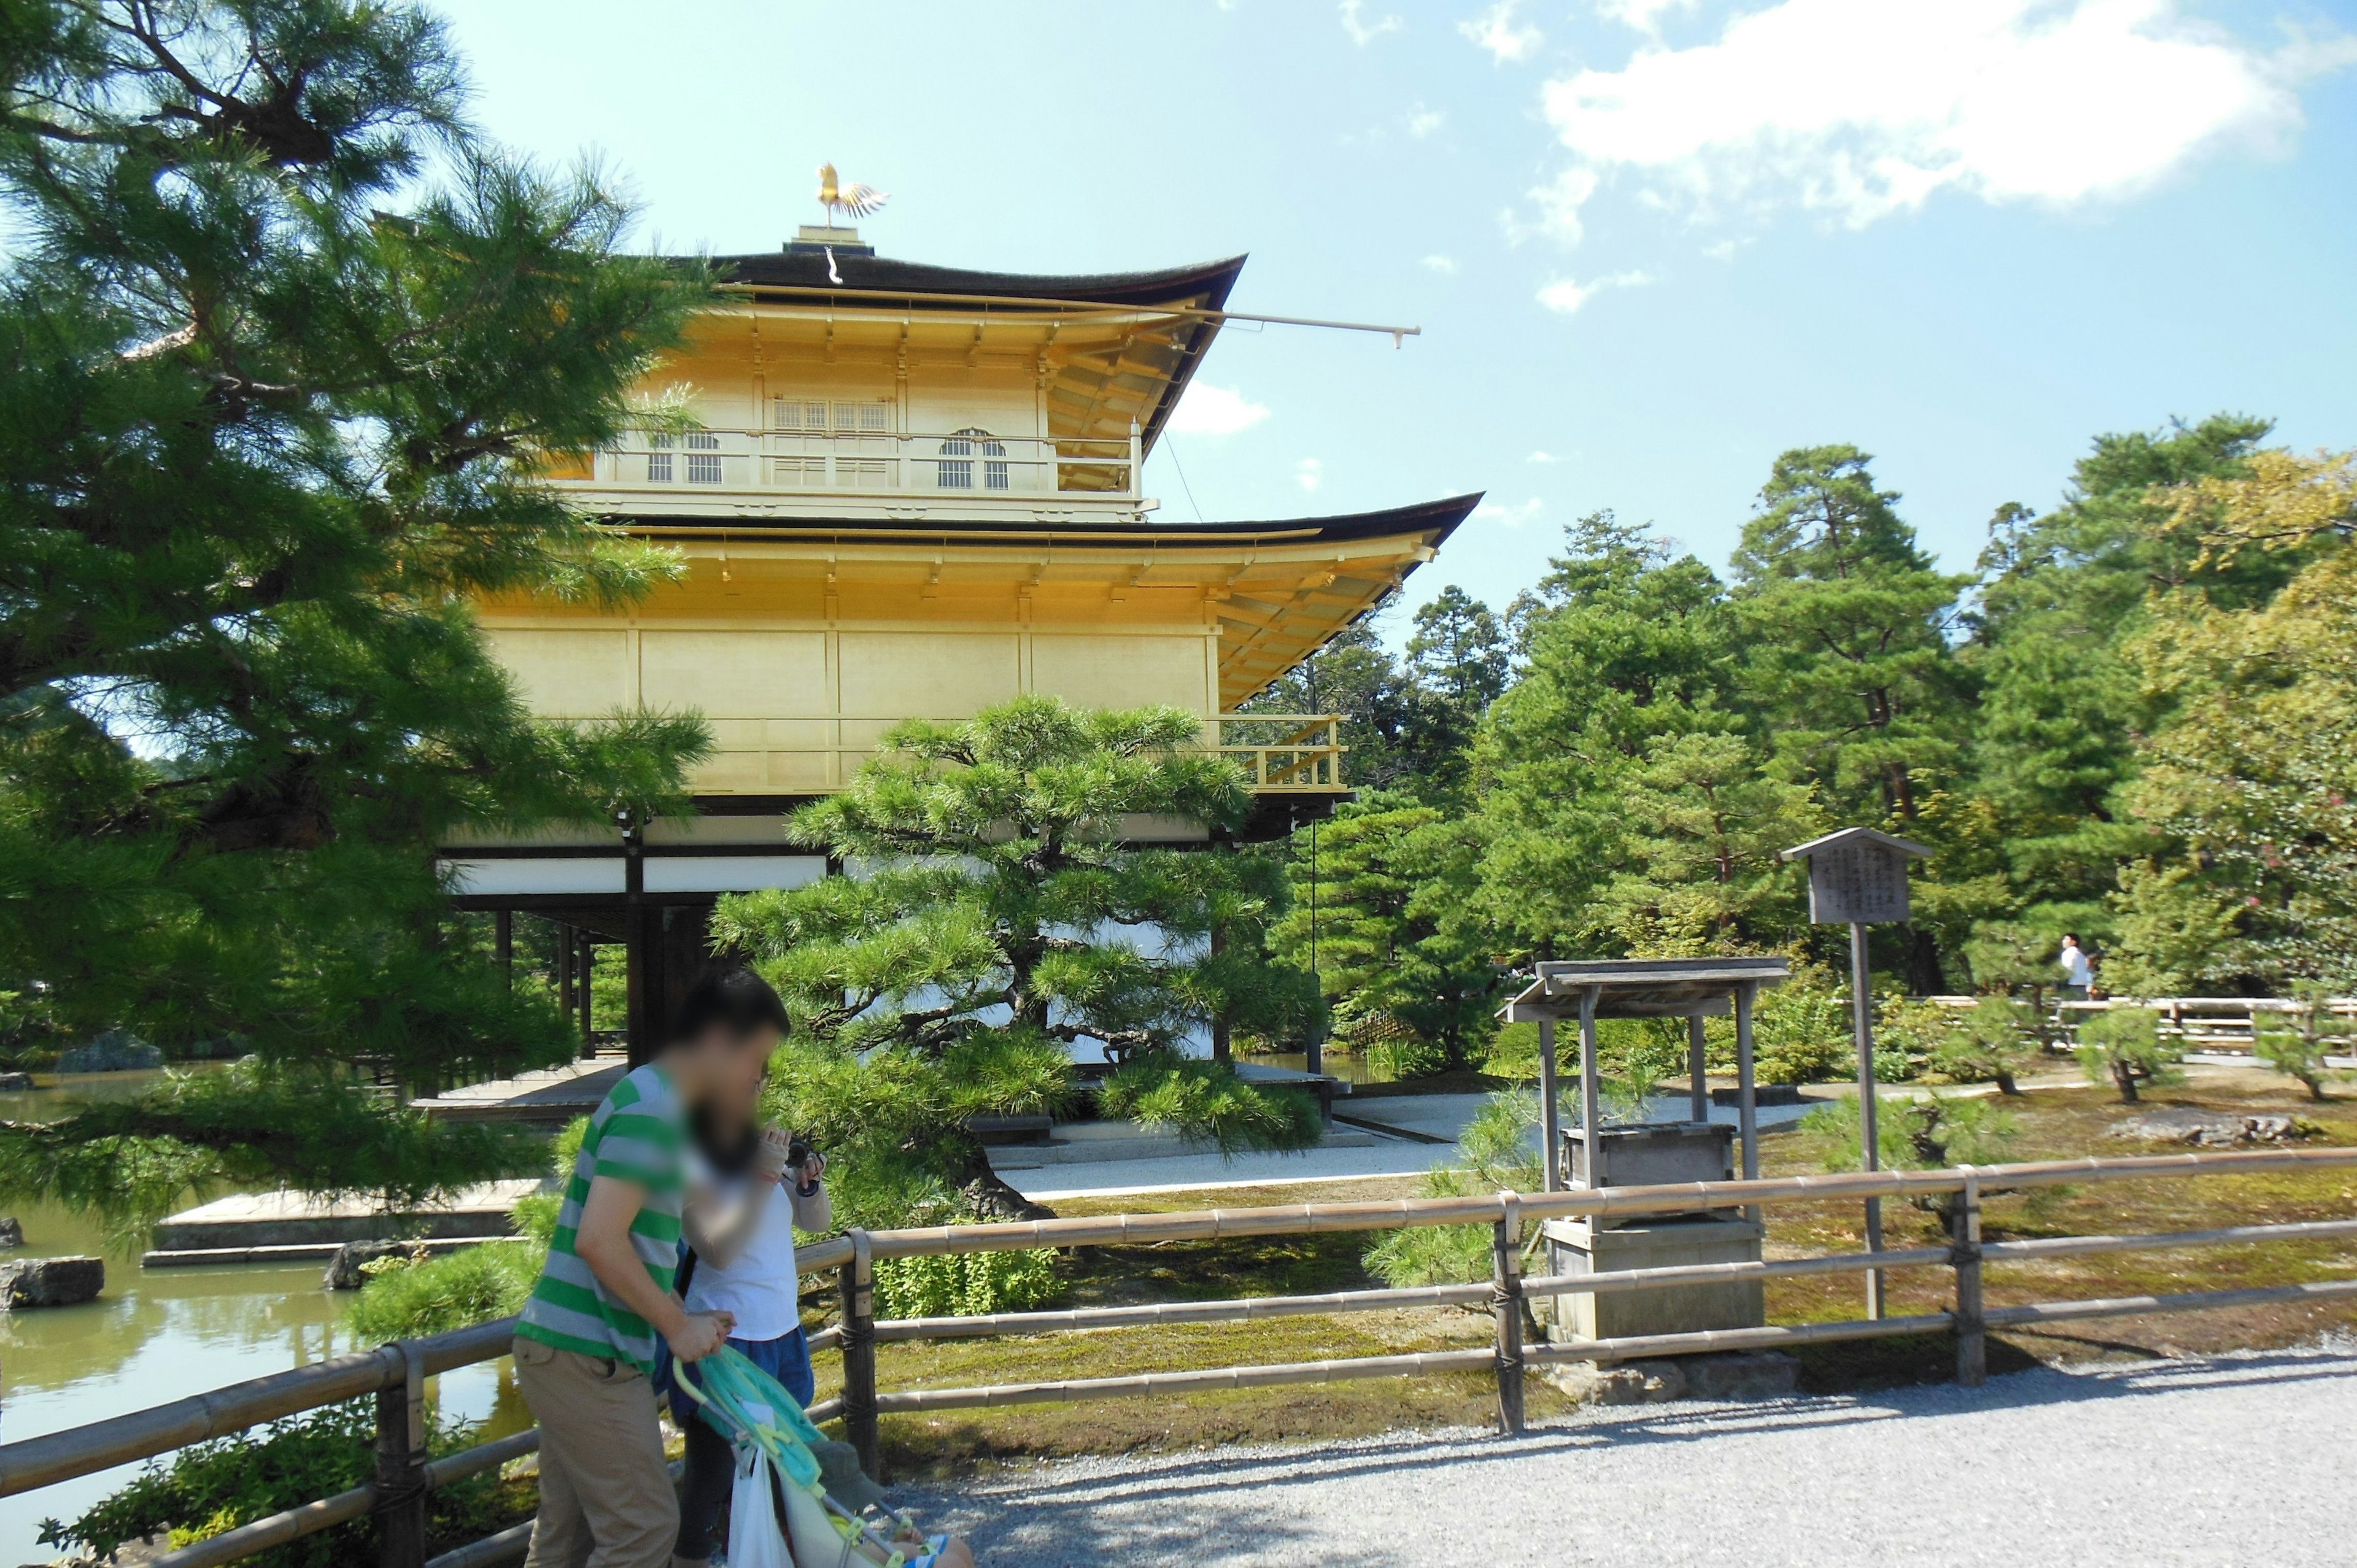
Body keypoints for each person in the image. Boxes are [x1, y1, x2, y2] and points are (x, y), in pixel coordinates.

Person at [512, 966, 789, 1568]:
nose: (756, 1079)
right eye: (755, 1060)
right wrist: (677, 1324)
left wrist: (753, 1174)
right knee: (646, 1527)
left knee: (568, 1536)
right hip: (590, 1354)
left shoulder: (664, 1107)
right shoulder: (656, 1108)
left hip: (569, 1348)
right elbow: (600, 1240)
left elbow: (708, 1243)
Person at [666, 1086, 832, 1568]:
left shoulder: (762, 1153)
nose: (750, 1095)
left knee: (786, 1467)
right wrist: (762, 1172)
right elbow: (716, 1248)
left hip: (782, 1331)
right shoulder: (694, 1158)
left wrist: (806, 1182)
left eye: (757, 1085)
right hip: (725, 1337)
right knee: (712, 1473)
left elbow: (816, 1223)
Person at [2059, 933, 2094, 1001]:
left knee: (2066, 1009)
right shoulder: (2081, 955)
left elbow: (2066, 969)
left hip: (2071, 986)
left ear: (2074, 942)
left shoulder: (2068, 953)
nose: (2063, 941)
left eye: (2066, 939)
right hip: (2082, 986)